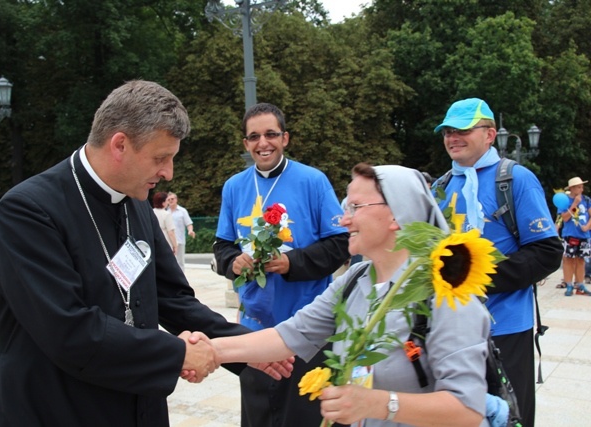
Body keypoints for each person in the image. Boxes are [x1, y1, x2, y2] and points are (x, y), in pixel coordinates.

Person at [0, 80, 264, 427]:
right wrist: (179, 355)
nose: (168, 173)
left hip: (135, 407)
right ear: (120, 145)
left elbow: (172, 297)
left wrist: (250, 347)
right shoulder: (28, 211)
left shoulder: (135, 201)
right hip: (55, 409)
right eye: (161, 158)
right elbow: (68, 330)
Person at [206, 164, 491, 427]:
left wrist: (379, 404)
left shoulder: (446, 294)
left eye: (355, 207)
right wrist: (212, 351)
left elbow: (467, 409)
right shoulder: (355, 280)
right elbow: (289, 336)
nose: (343, 220)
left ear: (397, 214)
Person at [213, 102, 350, 427]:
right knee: (259, 414)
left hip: (308, 325)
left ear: (285, 138)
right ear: (246, 143)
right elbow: (222, 246)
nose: (264, 143)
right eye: (254, 136)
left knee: (304, 415)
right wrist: (234, 262)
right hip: (255, 326)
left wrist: (291, 262)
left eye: (271, 134)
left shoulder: (313, 181)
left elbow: (341, 244)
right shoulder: (234, 186)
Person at [433, 98, 562, 427]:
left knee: (509, 419)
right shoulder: (441, 186)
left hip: (505, 328)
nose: (452, 137)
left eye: (462, 130)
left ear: (490, 135)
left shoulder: (515, 179)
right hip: (451, 330)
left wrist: (476, 277)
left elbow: (547, 251)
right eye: (447, 131)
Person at [557, 177, 591, 296]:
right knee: (568, 260)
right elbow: (565, 218)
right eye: (578, 187)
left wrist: (587, 226)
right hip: (569, 234)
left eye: (582, 187)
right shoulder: (564, 201)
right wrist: (575, 203)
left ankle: (580, 285)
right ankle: (569, 285)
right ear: (571, 188)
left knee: (581, 260)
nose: (581, 189)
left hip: (584, 235)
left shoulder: (586, 200)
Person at [166, 192, 195, 271]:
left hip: (180, 240)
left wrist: (190, 230)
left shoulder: (182, 211)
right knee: (169, 262)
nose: (171, 201)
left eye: (172, 199)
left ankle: (181, 280)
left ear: (176, 199)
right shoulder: (165, 213)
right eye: (169, 199)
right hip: (168, 241)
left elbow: (188, 223)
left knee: (180, 262)